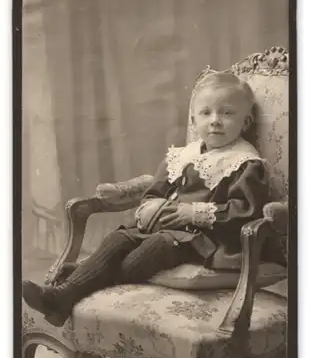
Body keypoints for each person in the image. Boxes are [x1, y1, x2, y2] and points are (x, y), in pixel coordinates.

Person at [22, 71, 270, 327]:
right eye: (206, 113)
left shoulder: (245, 163)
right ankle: (61, 298)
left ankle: (76, 283)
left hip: (203, 238)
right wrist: (150, 206)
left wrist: (194, 212)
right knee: (118, 238)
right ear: (194, 121)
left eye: (227, 113)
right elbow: (155, 191)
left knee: (153, 250)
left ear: (246, 121)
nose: (215, 121)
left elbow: (246, 211)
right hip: (164, 227)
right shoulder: (183, 156)